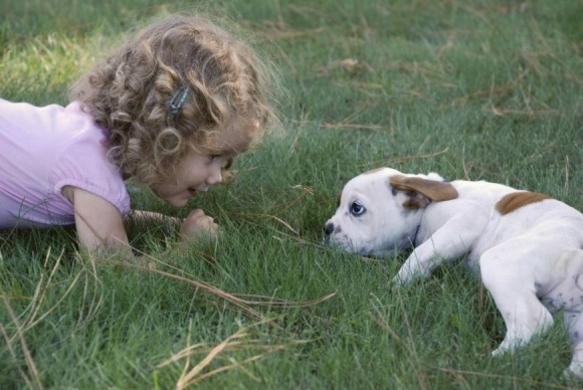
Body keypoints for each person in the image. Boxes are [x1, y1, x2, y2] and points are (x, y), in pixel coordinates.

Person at [0, 14, 278, 258]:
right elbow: (114, 272)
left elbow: (108, 216)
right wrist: (187, 249)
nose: (217, 176)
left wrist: (165, 224)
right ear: (166, 136)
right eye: (213, 156)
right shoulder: (90, 169)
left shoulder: (87, 142)